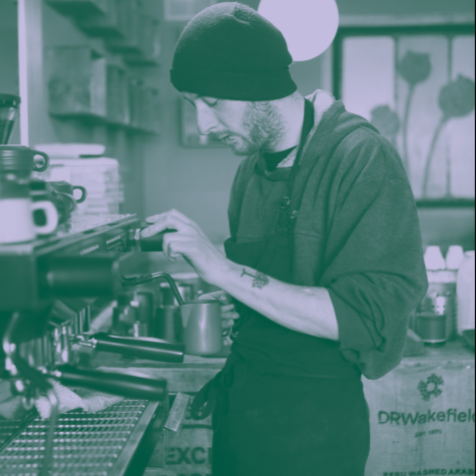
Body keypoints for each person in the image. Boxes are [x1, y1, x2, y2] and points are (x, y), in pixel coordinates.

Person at [142, 3, 428, 475]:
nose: (202, 125)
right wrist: (233, 294)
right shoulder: (249, 173)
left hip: (313, 432)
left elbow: (367, 320)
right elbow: (276, 288)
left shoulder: (361, 158)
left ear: (257, 87)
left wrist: (221, 268)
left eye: (211, 102)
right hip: (243, 412)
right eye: (191, 104)